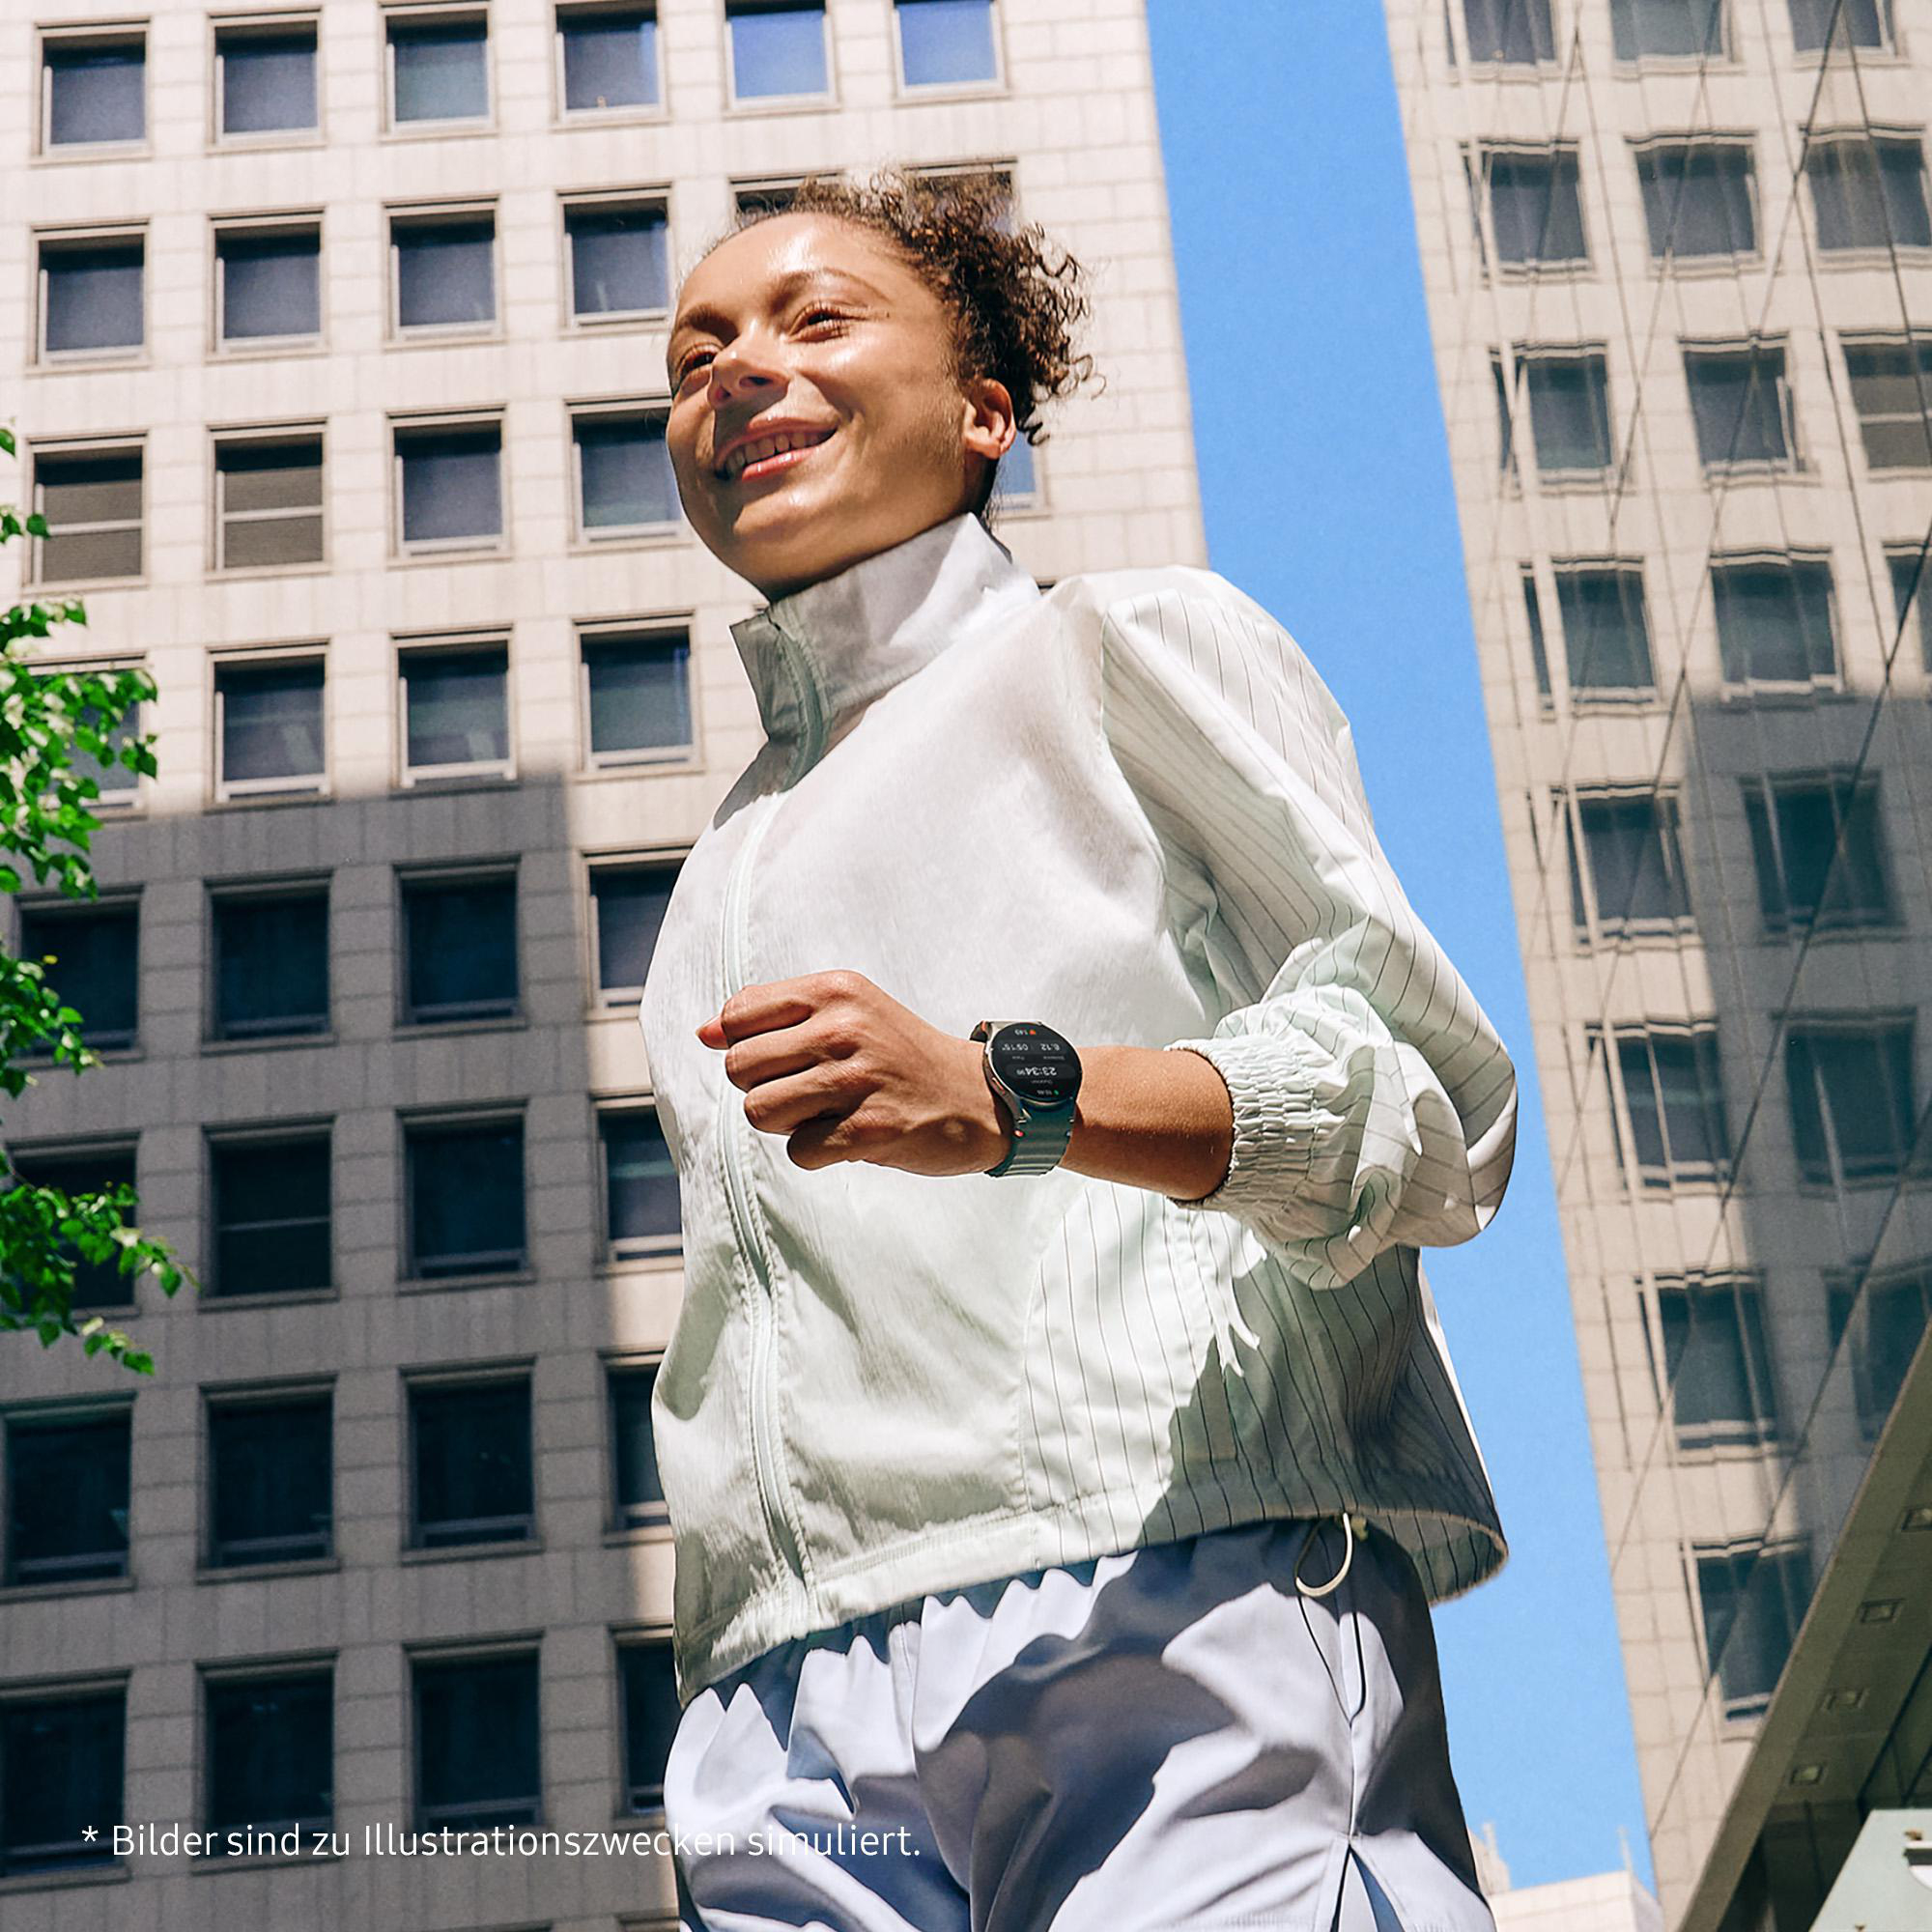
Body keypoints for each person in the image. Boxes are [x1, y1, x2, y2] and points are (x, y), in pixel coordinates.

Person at [636, 165, 1517, 1932]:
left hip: (1169, 1592)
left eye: (816, 320)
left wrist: (1011, 1093)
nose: (737, 371)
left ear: (983, 411)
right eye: (697, 349)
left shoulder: (1122, 648)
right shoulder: (718, 858)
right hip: (778, 1711)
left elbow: (1422, 1111)